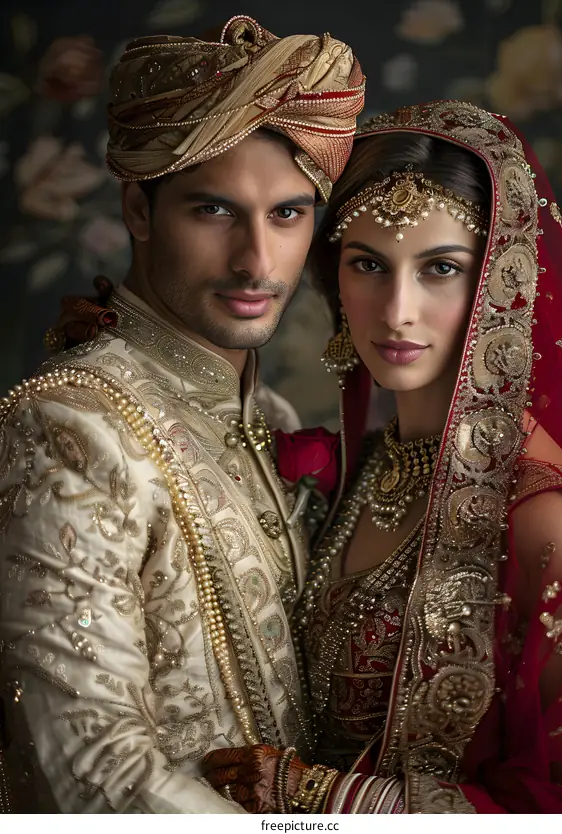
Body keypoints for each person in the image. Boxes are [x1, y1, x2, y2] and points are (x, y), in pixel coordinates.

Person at [0, 16, 364, 813]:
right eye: (213, 211)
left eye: (288, 214)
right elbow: (96, 773)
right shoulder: (71, 425)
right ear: (139, 210)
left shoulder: (267, 412)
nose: (256, 263)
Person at [202, 100, 562, 813]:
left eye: (441, 267)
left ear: (502, 282)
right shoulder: (364, 467)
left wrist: (328, 801)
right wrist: (135, 342)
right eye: (368, 265)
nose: (396, 310)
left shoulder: (549, 520)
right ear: (333, 277)